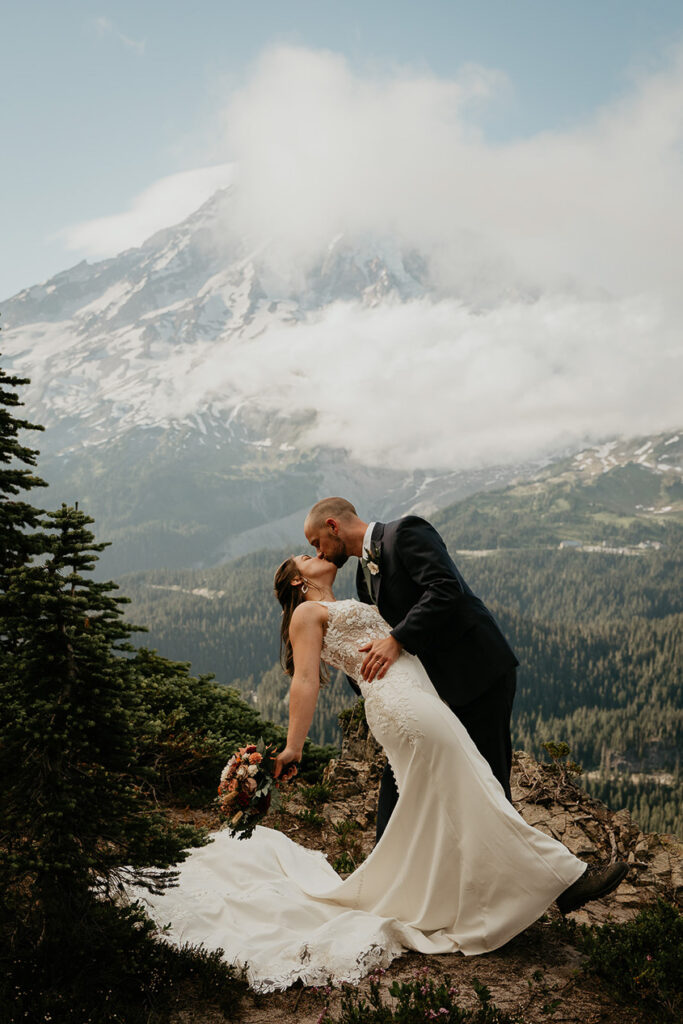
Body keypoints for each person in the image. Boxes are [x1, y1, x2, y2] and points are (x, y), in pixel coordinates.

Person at [123, 549, 627, 994]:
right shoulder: (307, 612)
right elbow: (304, 680)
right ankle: (567, 878)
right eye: (304, 554)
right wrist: (292, 748)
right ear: (297, 579)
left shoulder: (344, 598)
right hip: (400, 704)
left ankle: (465, 900)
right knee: (473, 787)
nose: (314, 552)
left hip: (420, 696)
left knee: (447, 799)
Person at [303, 497, 518, 843]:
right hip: (434, 692)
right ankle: (391, 875)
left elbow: (446, 587)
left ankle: (543, 877)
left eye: (317, 543)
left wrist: (397, 638)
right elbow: (378, 641)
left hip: (478, 671)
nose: (320, 553)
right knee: (403, 780)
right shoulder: (363, 578)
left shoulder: (405, 532)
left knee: (490, 780)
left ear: (333, 526)